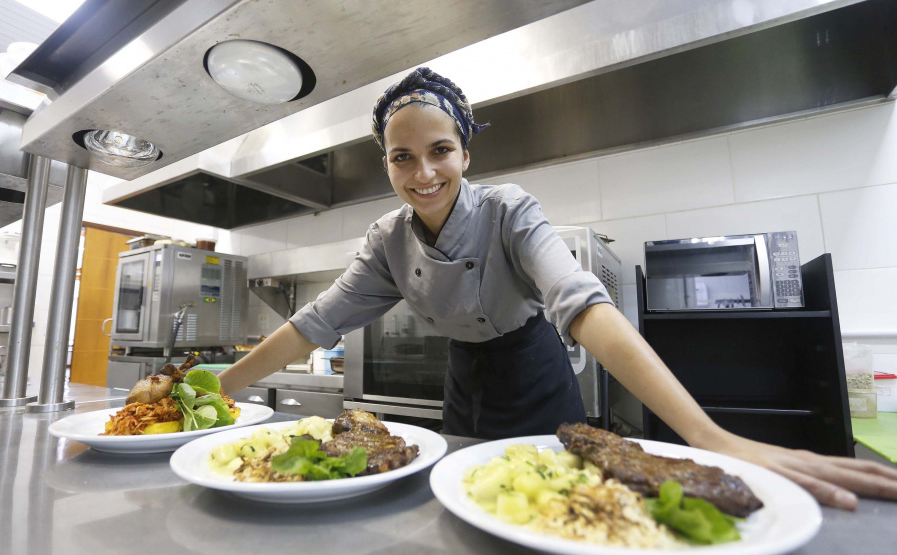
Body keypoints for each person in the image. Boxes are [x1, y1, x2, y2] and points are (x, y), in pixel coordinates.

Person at [219, 67, 897, 509]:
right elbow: (315, 322)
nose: (422, 172)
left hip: (533, 370)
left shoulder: (509, 210)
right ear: (386, 163)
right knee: (471, 496)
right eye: (401, 157)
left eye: (439, 151)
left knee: (552, 503)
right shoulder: (385, 241)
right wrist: (215, 392)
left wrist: (704, 432)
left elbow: (580, 302)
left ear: (465, 152)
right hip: (464, 379)